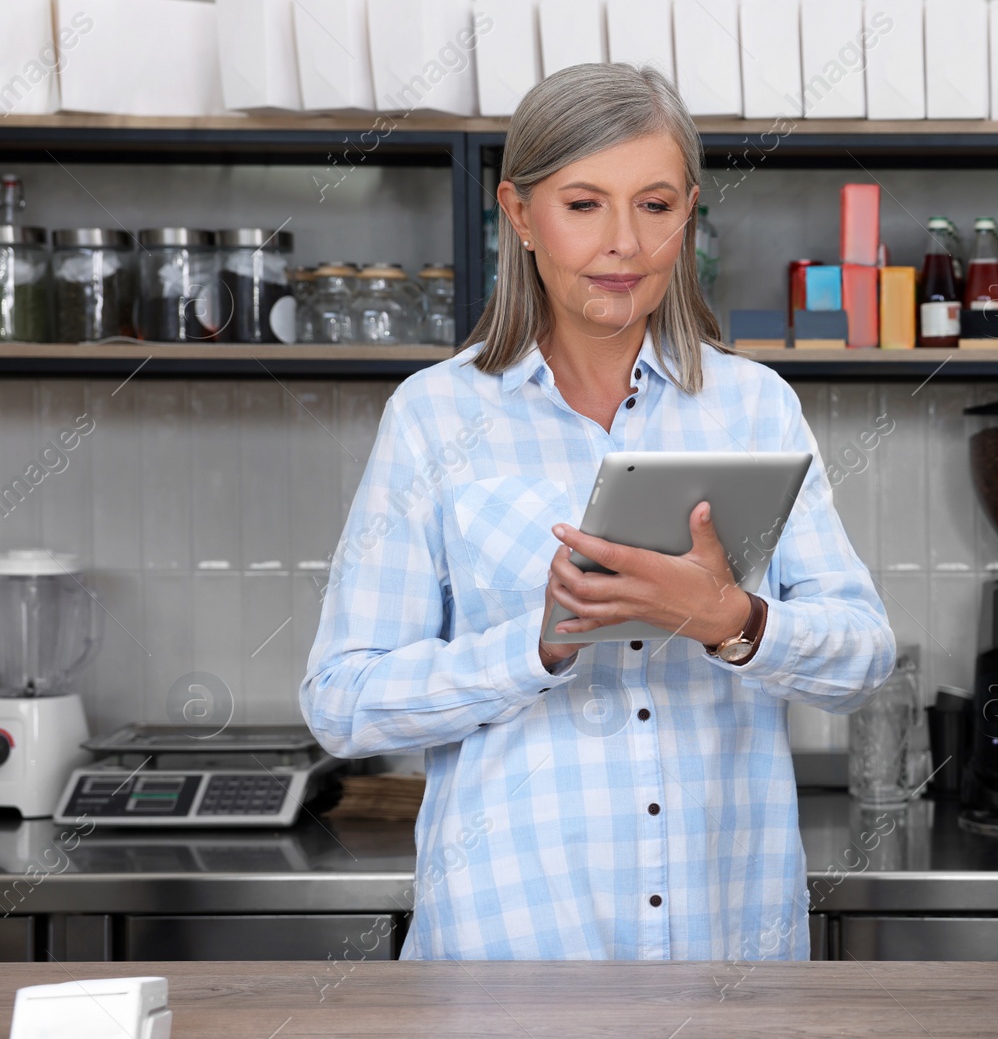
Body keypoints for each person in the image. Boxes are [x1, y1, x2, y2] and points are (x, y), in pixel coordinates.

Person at [300, 63, 895, 961]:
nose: (625, 242)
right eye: (584, 204)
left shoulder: (755, 406)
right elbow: (343, 703)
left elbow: (864, 656)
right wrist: (536, 647)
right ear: (519, 214)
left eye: (655, 206)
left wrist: (730, 621)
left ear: (688, 213)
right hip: (510, 965)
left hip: (727, 960)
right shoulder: (436, 416)